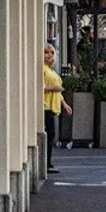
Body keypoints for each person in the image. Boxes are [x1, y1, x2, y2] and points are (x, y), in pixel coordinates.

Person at [43, 45, 70, 174]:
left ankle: (48, 162)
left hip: (52, 106)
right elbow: (41, 88)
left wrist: (64, 104)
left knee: (51, 135)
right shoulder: (43, 70)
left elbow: (58, 92)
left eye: (52, 52)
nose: (49, 55)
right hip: (45, 106)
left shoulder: (52, 71)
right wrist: (54, 89)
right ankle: (47, 163)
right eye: (46, 52)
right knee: (49, 135)